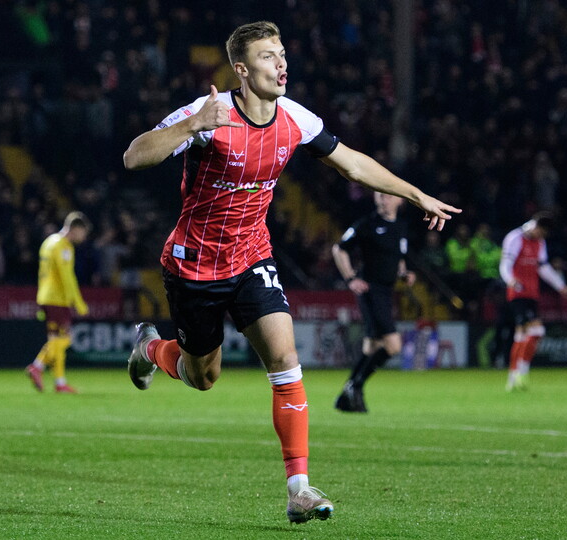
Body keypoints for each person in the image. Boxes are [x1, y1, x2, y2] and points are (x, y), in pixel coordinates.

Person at [121, 21, 460, 523]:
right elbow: (134, 156)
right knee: (203, 375)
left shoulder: (296, 118)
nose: (281, 63)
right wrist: (191, 126)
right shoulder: (209, 114)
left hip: (253, 257)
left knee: (285, 360)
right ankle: (151, 349)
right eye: (268, 56)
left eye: (281, 54)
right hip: (196, 265)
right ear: (241, 70)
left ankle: (299, 489)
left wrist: (415, 194)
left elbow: (353, 164)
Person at [331, 192, 416, 413]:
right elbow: (339, 249)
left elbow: (398, 257)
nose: (382, 199)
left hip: (387, 292)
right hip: (371, 291)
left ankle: (346, 397)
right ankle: (355, 386)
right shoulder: (367, 224)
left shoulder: (401, 226)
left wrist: (404, 273)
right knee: (393, 346)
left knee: (372, 347)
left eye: (387, 196)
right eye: (379, 195)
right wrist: (350, 278)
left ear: (400, 200)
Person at [499, 212, 567, 391]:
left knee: (521, 336)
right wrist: (510, 280)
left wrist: (560, 286)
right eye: (542, 232)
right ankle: (522, 371)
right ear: (536, 226)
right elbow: (505, 264)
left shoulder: (540, 242)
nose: (542, 236)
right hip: (518, 293)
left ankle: (512, 378)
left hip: (532, 293)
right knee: (537, 330)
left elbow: (543, 268)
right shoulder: (515, 238)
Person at [25, 212, 90, 394]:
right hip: (57, 299)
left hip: (45, 296)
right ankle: (37, 366)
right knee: (65, 339)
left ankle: (60, 383)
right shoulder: (64, 246)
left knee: (55, 340)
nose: (84, 237)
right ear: (75, 229)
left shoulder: (48, 242)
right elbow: (67, 277)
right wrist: (78, 302)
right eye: (83, 232)